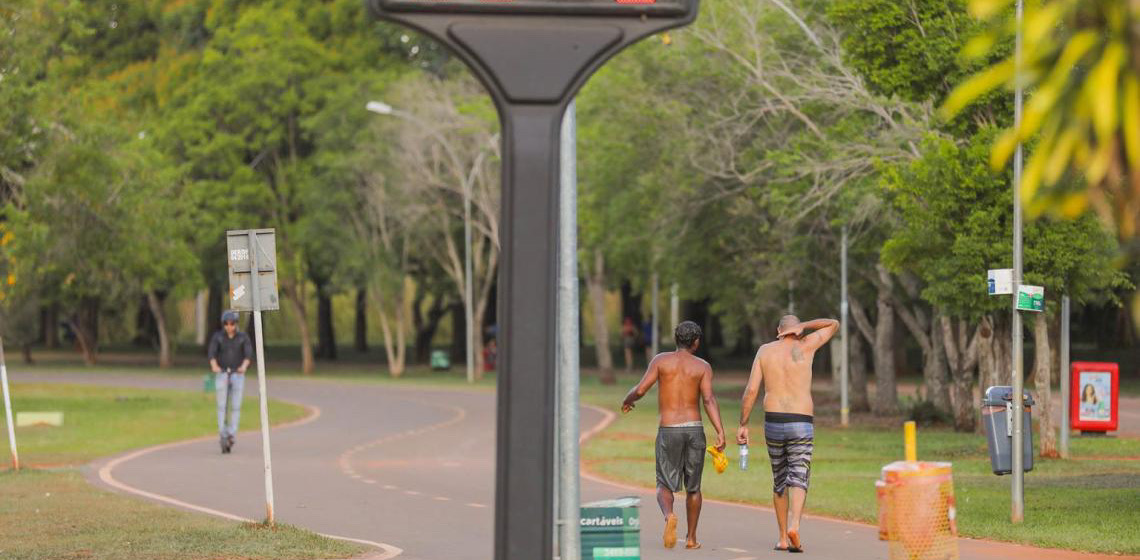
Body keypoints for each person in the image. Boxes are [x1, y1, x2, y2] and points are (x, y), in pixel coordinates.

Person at [737, 315, 838, 553]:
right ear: (797, 330)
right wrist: (806, 326)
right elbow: (834, 324)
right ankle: (795, 525)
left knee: (779, 478)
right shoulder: (808, 344)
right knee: (799, 474)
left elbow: (751, 390)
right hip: (801, 420)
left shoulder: (764, 351)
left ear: (778, 330)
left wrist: (743, 423)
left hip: (773, 420)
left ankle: (783, 538)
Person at [621, 321, 726, 550]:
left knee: (663, 483)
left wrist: (627, 400)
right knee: (694, 487)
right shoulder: (703, 366)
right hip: (695, 429)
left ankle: (669, 516)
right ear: (696, 342)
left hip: (669, 429)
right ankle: (691, 539)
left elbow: (640, 390)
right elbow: (708, 399)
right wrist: (720, 430)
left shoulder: (660, 360)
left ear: (676, 339)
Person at [208, 310, 252, 454]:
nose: (229, 327)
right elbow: (212, 353)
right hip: (222, 374)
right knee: (222, 406)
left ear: (236, 324)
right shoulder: (218, 337)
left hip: (237, 374)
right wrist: (214, 366)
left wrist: (243, 367)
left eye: (232, 324)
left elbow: (247, 355)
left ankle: (232, 433)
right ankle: (222, 432)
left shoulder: (243, 337)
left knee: (236, 406)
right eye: (226, 324)